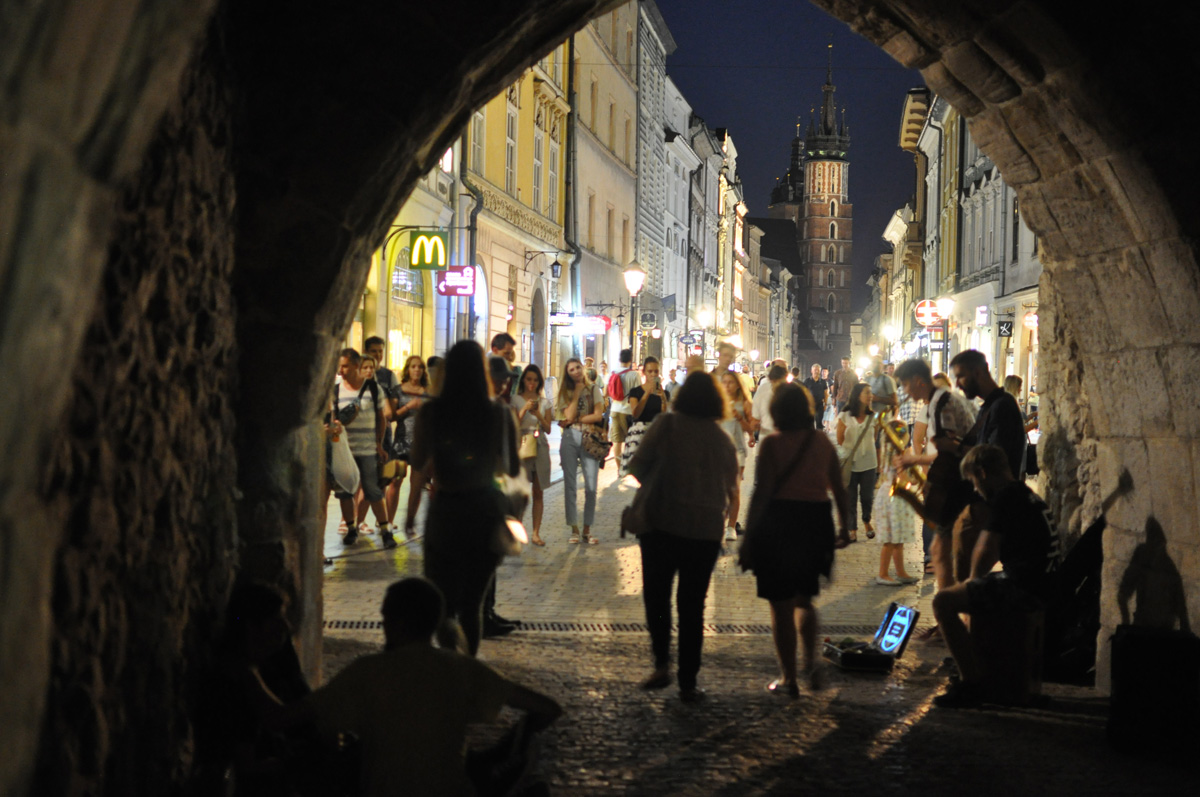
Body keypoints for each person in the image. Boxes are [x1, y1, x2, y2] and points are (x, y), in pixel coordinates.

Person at [288, 578, 563, 796]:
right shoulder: (461, 668)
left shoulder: (367, 671)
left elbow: (287, 718)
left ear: (395, 622)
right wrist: (509, 745)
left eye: (385, 618)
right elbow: (548, 709)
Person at [626, 372, 738, 703]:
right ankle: (688, 680)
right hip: (704, 532)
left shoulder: (665, 425)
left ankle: (662, 663)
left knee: (657, 598)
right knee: (692, 607)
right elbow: (731, 486)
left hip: (661, 524)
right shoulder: (721, 439)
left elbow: (636, 466)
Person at [409, 340, 519, 655]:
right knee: (473, 604)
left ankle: (449, 660)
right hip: (485, 511)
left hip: (445, 510)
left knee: (442, 602)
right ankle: (468, 666)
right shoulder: (499, 412)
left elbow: (417, 462)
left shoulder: (431, 412)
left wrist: (410, 512)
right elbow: (512, 467)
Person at [742, 382, 849, 697]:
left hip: (779, 522)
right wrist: (845, 526)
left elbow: (762, 494)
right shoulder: (821, 442)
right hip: (815, 522)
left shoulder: (772, 445)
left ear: (777, 411)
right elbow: (838, 486)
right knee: (805, 599)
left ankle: (789, 678)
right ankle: (811, 663)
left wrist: (748, 537)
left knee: (781, 605)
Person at [931, 445, 1060, 708]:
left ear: (982, 473)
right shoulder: (1026, 495)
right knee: (980, 588)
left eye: (973, 481)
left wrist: (971, 583)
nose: (976, 489)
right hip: (1043, 584)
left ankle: (971, 682)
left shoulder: (1006, 498)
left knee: (943, 602)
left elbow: (986, 549)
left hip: (1025, 589)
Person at [893, 359, 978, 633]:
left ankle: (950, 623)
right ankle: (951, 621)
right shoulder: (944, 400)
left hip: (956, 485)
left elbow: (949, 449)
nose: (906, 392)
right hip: (960, 483)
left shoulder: (941, 403)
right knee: (947, 553)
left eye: (906, 385)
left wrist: (913, 460)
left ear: (918, 381)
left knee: (944, 553)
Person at [332, 348, 394, 547]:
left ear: (356, 366)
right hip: (344, 450)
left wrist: (379, 444)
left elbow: (381, 419)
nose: (341, 370)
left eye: (345, 366)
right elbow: (332, 418)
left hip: (367, 450)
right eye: (339, 366)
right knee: (345, 491)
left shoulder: (373, 388)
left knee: (372, 490)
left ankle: (385, 531)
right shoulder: (336, 391)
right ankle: (351, 528)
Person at [555, 357, 606, 544]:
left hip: (590, 439)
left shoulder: (594, 389)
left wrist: (576, 420)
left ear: (583, 367)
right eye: (571, 370)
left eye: (578, 367)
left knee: (591, 487)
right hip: (569, 438)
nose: (576, 371)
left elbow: (598, 415)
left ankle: (587, 529)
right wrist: (576, 394)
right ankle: (574, 530)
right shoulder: (565, 392)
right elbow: (567, 416)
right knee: (570, 485)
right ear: (567, 374)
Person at [871, 419, 919, 586]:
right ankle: (883, 574)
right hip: (895, 498)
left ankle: (900, 572)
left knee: (896, 538)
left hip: (889, 494)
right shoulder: (900, 454)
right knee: (891, 539)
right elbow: (905, 478)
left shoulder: (887, 451)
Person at [392, 355, 429, 540]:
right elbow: (392, 416)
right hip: (401, 442)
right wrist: (409, 406)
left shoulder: (427, 392)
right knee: (395, 481)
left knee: (417, 485)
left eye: (420, 367)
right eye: (413, 366)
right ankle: (388, 522)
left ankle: (410, 522)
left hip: (421, 443)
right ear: (407, 369)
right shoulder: (398, 390)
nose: (417, 370)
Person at [837, 383, 878, 546]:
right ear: (857, 395)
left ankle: (866, 520)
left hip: (869, 463)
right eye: (867, 392)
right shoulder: (845, 415)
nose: (870, 396)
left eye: (871, 393)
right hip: (851, 464)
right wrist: (850, 451)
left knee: (867, 497)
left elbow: (874, 438)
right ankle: (852, 529)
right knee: (851, 498)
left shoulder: (872, 416)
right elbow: (840, 438)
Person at [515, 364, 552, 547]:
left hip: (540, 445)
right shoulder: (515, 399)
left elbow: (548, 428)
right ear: (523, 380)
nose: (532, 383)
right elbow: (514, 423)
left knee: (538, 491)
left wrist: (538, 413)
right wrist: (524, 409)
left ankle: (536, 533)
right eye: (529, 379)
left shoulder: (544, 402)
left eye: (535, 380)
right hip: (522, 445)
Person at [720, 370, 753, 542]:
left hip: (737, 451)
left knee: (734, 488)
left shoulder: (744, 403)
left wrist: (739, 418)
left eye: (730, 382)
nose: (727, 386)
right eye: (724, 382)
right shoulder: (718, 402)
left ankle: (731, 526)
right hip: (719, 451)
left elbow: (751, 428)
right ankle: (720, 521)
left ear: (738, 385)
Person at [621, 356, 669, 472]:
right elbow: (636, 413)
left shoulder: (665, 393)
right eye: (650, 371)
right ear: (644, 373)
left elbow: (665, 416)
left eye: (656, 371)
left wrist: (663, 399)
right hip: (639, 436)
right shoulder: (635, 392)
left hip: (657, 435)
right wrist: (647, 393)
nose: (653, 374)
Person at [606, 348, 642, 463]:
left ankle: (619, 469)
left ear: (619, 359)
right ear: (630, 360)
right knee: (630, 441)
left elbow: (606, 392)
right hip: (628, 412)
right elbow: (639, 393)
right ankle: (628, 466)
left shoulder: (612, 373)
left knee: (617, 442)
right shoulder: (634, 375)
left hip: (614, 410)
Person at [751, 363, 788, 441]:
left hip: (767, 439)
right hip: (783, 440)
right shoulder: (793, 390)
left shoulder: (762, 389)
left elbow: (754, 419)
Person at [802, 363, 828, 429]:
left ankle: (819, 434)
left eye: (818, 370)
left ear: (820, 371)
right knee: (810, 422)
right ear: (811, 371)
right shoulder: (807, 381)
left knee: (819, 421)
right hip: (810, 404)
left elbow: (826, 393)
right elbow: (803, 392)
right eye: (815, 370)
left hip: (820, 404)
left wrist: (825, 404)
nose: (816, 371)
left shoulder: (823, 382)